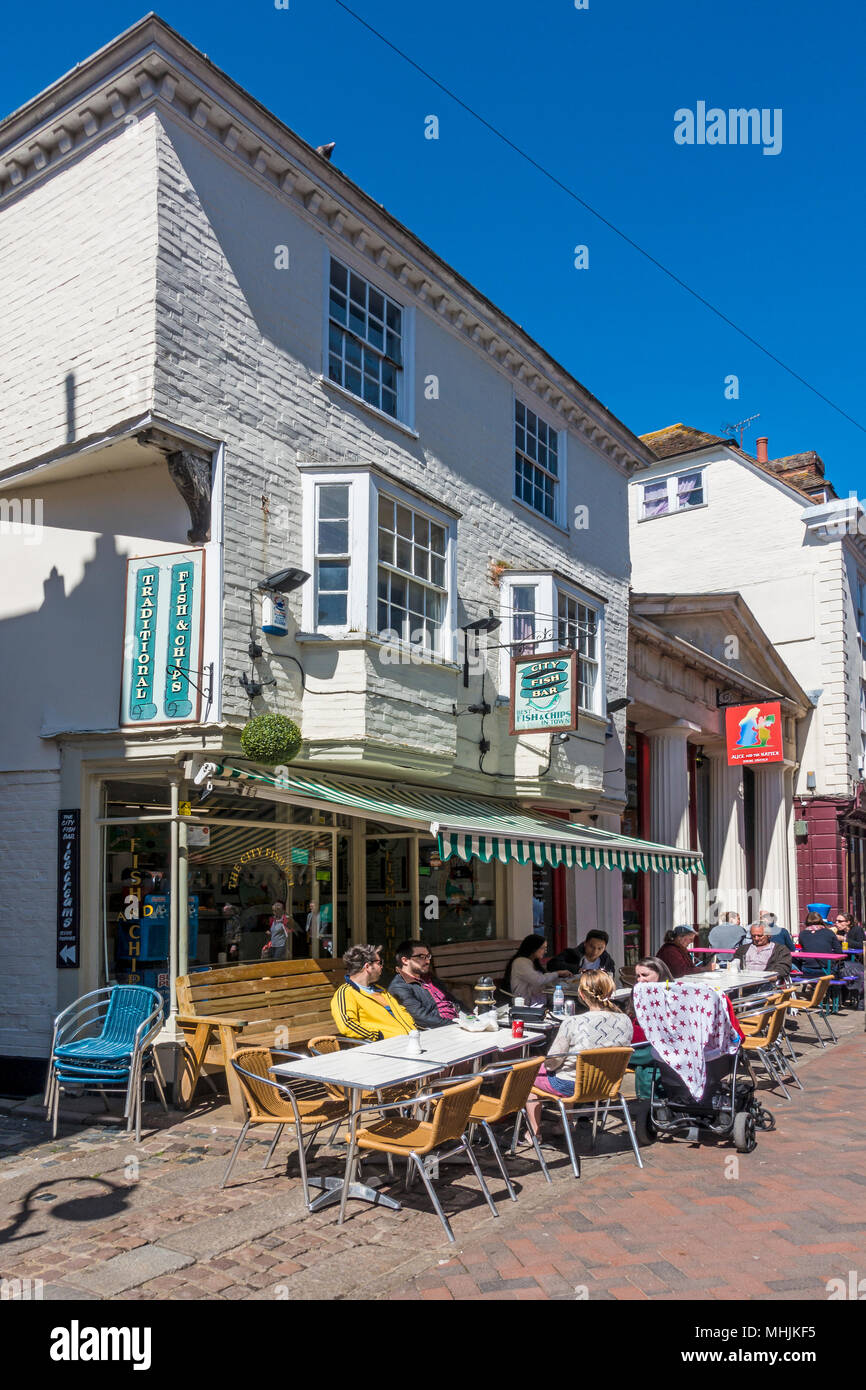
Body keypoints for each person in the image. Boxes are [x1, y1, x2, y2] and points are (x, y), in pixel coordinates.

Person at [525, 971, 633, 1135]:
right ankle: (565, 1123)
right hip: (607, 1083)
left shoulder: (573, 1022)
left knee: (529, 1074)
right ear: (611, 992)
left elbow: (552, 1061)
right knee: (570, 1070)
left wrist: (541, 1063)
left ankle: (534, 1132)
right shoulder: (625, 1021)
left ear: (581, 994)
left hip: (572, 1085)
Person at [331, 944, 416, 1040]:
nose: (382, 966)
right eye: (379, 963)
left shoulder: (380, 990)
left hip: (410, 1039)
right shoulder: (346, 993)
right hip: (385, 1046)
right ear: (367, 966)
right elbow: (347, 1025)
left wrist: (412, 1028)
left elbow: (401, 1011)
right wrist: (379, 1036)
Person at [389, 940, 462, 1028]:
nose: (427, 961)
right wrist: (457, 1025)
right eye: (421, 957)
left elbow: (453, 1000)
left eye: (428, 956)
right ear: (405, 960)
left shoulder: (429, 978)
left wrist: (471, 1016)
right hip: (440, 1029)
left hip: (458, 1019)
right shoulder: (400, 986)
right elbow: (422, 1018)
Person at [503, 934, 572, 1005]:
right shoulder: (520, 962)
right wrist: (557, 973)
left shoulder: (532, 962)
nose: (545, 951)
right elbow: (538, 980)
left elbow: (544, 980)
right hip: (526, 1005)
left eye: (545, 948)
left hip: (539, 1001)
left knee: (569, 1000)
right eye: (542, 948)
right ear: (533, 948)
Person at [547, 930, 616, 978]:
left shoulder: (607, 962)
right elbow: (551, 964)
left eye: (600, 948)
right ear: (585, 943)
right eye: (591, 947)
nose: (595, 952)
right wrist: (577, 969)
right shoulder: (572, 954)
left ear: (605, 948)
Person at [798, 910, 844, 978]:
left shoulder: (802, 934)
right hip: (826, 970)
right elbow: (839, 952)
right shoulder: (829, 932)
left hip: (807, 969)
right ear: (821, 921)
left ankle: (812, 985)